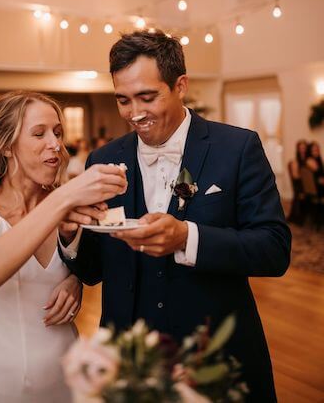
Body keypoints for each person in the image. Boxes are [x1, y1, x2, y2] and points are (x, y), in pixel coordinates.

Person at [59, 31, 291, 403]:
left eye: (147, 97)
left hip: (214, 355)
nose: (134, 112)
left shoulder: (237, 148)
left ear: (180, 85)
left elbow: (274, 249)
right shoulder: (101, 161)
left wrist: (187, 238)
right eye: (123, 99)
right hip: (128, 363)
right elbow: (93, 270)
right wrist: (70, 233)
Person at [0, 90, 127, 403]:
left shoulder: (70, 207)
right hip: (4, 387)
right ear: (7, 145)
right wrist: (64, 199)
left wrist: (76, 278)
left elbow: (94, 265)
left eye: (58, 133)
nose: (56, 145)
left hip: (72, 379)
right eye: (39, 133)